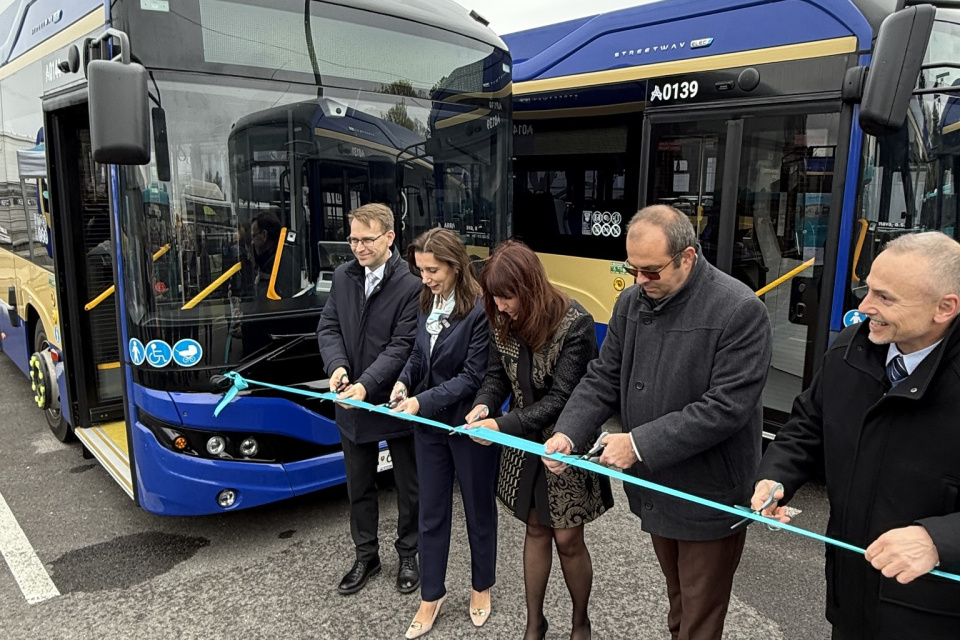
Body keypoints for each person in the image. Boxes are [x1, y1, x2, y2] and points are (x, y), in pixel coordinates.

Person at [544, 205, 773, 640]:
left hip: (709, 492)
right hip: (656, 484)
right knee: (679, 602)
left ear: (687, 257)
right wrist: (568, 432)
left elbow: (726, 407)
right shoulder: (632, 300)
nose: (639, 282)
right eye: (632, 269)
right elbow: (604, 375)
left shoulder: (739, 308)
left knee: (700, 616)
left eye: (651, 271)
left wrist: (639, 444)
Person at [751, 232, 960, 640]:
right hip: (850, 599)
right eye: (867, 290)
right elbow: (808, 424)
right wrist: (776, 476)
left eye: (885, 298)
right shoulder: (852, 347)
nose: (864, 308)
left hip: (936, 616)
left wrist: (941, 540)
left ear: (945, 308)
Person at [463, 240, 612, 640]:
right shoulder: (500, 318)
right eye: (494, 298)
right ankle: (535, 624)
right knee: (534, 530)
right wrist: (483, 407)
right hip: (520, 435)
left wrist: (500, 425)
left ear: (529, 288)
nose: (502, 306)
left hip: (566, 438)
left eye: (507, 297)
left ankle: (580, 622)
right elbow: (495, 378)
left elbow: (564, 398)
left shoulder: (574, 322)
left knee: (568, 537)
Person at [388, 228, 498, 639]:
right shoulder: (426, 300)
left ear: (456, 266)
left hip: (469, 425)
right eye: (421, 270)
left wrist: (420, 401)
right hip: (429, 426)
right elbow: (418, 354)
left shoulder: (479, 310)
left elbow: (473, 375)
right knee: (431, 512)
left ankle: (481, 585)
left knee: (477, 510)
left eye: (433, 270)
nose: (426, 278)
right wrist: (403, 383)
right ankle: (431, 596)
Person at [316, 203, 422, 596]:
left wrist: (367, 383)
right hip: (351, 398)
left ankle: (410, 553)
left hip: (394, 398)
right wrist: (338, 368)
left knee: (408, 485)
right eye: (353, 239)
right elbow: (328, 326)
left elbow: (403, 345)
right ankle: (366, 555)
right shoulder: (343, 277)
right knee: (358, 484)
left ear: (390, 238)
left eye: (366, 239)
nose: (358, 248)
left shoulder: (411, 284)